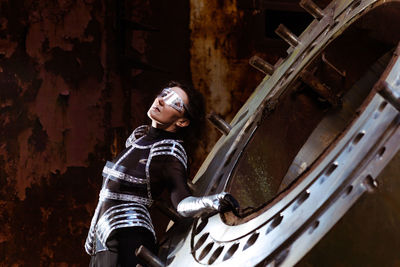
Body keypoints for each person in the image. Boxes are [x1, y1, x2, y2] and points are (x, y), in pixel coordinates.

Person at [85, 81, 238, 266]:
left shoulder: (169, 151)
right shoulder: (138, 139)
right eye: (164, 94)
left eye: (174, 102)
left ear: (182, 121)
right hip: (103, 237)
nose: (161, 100)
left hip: (130, 238)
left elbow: (181, 202)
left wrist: (212, 202)